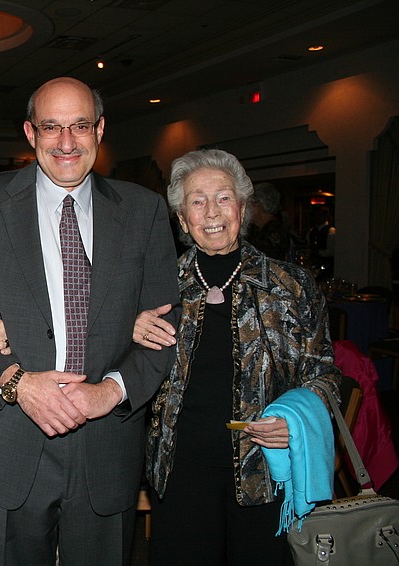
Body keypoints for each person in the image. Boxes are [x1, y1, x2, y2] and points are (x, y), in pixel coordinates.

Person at [0, 76, 179, 565]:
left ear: (100, 129)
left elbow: (163, 329)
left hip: (107, 439)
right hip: (12, 438)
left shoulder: (143, 210)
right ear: (30, 133)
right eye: (51, 127)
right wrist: (17, 383)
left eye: (80, 126)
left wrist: (109, 391)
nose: (66, 143)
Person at [134, 149, 341, 565]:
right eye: (197, 200)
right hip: (179, 471)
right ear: (182, 220)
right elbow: (119, 371)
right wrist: (129, 333)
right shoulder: (153, 288)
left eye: (223, 197)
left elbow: (324, 374)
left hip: (265, 468)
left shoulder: (290, 285)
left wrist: (295, 423)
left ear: (243, 208)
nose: (211, 211)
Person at [247, 182, 290, 261]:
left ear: (258, 204)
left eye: (249, 205)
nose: (246, 210)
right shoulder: (261, 229)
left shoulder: (273, 232)